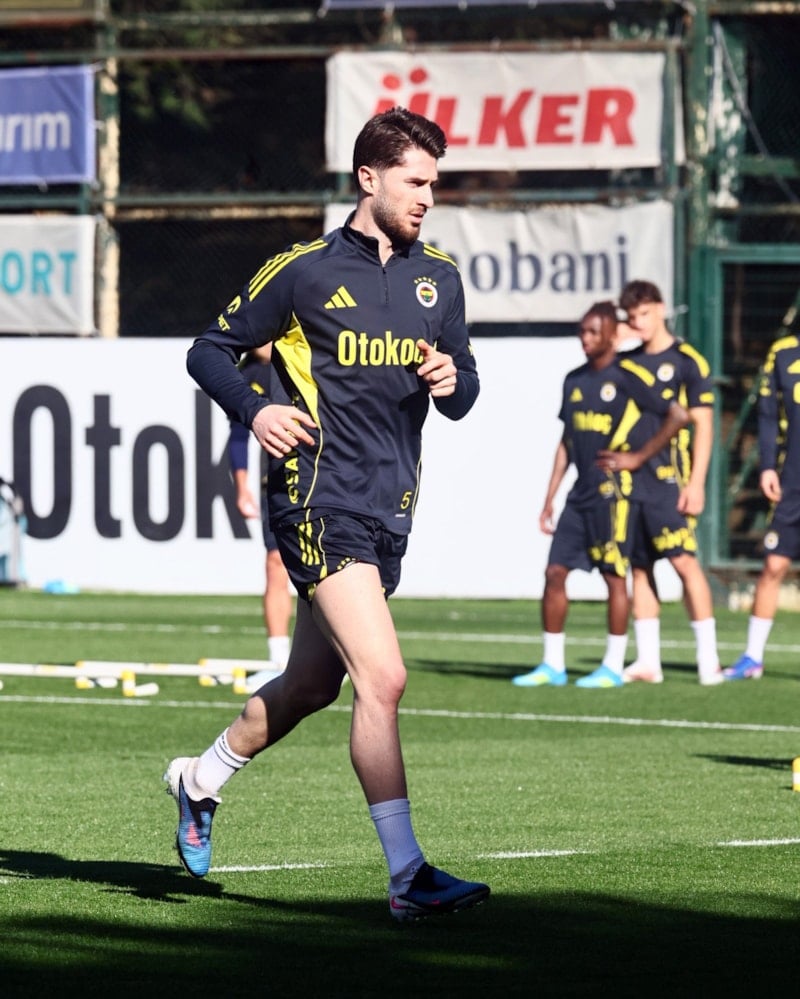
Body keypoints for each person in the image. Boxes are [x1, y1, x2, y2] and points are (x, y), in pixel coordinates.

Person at [165, 107, 489, 922]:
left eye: (434, 184)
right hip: (316, 498)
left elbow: (465, 391)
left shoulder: (440, 278)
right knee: (384, 677)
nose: (427, 198)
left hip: (389, 508)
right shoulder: (302, 270)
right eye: (415, 182)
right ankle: (408, 876)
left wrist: (454, 379)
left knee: (311, 684)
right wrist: (255, 410)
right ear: (368, 178)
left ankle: (199, 780)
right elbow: (208, 349)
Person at [512, 301, 688, 688]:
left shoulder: (627, 376)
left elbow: (678, 415)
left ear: (611, 335)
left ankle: (611, 666)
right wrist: (549, 497)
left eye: (594, 332)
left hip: (613, 495)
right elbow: (566, 442)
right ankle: (552, 665)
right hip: (579, 495)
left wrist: (637, 457)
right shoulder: (574, 380)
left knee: (613, 577)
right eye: (582, 331)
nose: (586, 338)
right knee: (554, 572)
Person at [617, 280, 724, 686]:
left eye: (644, 314)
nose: (638, 323)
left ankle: (709, 660)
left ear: (660, 309)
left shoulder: (687, 361)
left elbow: (704, 427)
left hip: (669, 479)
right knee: (639, 567)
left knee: (684, 562)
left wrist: (696, 484)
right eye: (632, 317)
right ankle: (648, 661)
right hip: (632, 481)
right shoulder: (626, 363)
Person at [726, 333, 800, 680]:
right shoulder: (784, 352)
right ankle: (752, 657)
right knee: (773, 565)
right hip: (792, 483)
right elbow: (768, 415)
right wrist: (768, 466)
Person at [228, 344, 293, 690]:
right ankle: (279, 661)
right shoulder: (249, 375)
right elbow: (239, 436)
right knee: (275, 562)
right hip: (278, 481)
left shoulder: (308, 354)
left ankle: (333, 656)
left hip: (324, 478)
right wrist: (242, 487)